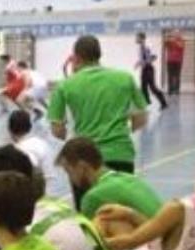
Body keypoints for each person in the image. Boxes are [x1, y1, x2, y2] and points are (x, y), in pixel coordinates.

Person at [48, 35, 149, 178]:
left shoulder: (65, 85)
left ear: (76, 57)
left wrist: (70, 137)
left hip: (84, 160)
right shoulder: (125, 78)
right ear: (99, 55)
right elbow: (141, 117)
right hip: (121, 153)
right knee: (120, 200)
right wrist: (120, 134)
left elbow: (57, 130)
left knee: (89, 200)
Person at [57, 137, 163, 221]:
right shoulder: (130, 178)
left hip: (153, 244)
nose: (70, 178)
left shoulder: (92, 197)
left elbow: (91, 241)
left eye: (68, 171)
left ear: (81, 167)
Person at [9, 110, 54, 183]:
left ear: (10, 130)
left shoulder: (20, 149)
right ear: (29, 127)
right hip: (50, 183)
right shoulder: (41, 143)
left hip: (38, 186)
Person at [135, 32, 168, 110]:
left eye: (137, 37)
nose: (136, 39)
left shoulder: (147, 47)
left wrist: (146, 62)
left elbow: (154, 56)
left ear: (142, 38)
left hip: (149, 69)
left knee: (153, 87)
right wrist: (139, 63)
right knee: (143, 87)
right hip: (144, 69)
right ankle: (147, 101)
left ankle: (163, 103)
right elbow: (142, 58)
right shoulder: (140, 48)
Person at [163, 30, 186, 96]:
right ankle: (170, 89)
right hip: (170, 60)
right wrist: (167, 38)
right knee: (170, 75)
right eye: (174, 33)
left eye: (177, 33)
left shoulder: (181, 40)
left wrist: (174, 41)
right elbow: (165, 44)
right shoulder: (170, 41)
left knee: (177, 75)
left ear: (180, 34)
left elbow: (181, 46)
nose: (175, 35)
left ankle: (177, 90)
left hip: (178, 61)